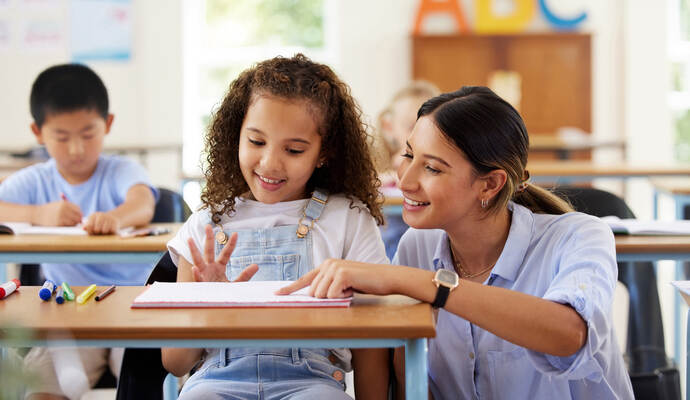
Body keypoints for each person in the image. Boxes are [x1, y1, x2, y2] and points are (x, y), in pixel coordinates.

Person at [279, 86, 635, 399]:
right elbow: (414, 385)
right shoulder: (417, 248)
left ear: (490, 184)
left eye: (432, 168)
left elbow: (568, 334)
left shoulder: (580, 236)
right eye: (409, 155)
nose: (406, 182)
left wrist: (421, 284)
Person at [162, 54, 390, 400]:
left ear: (323, 152)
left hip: (312, 384)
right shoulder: (206, 224)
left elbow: (373, 341)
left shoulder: (349, 219)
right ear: (234, 134)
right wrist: (204, 303)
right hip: (216, 383)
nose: (270, 163)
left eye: (295, 150)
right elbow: (176, 363)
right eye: (256, 142)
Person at [0, 63, 158, 400]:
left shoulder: (119, 170)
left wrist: (115, 217)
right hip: (67, 315)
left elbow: (143, 202)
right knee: (41, 390)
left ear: (108, 124)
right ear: (38, 132)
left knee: (144, 384)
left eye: (88, 134)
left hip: (131, 312)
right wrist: (37, 213)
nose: (76, 149)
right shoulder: (36, 181)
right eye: (61, 137)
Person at [374, 81, 440, 260]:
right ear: (389, 127)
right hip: (386, 259)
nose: (422, 134)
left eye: (432, 127)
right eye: (412, 126)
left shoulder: (444, 166)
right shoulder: (380, 170)